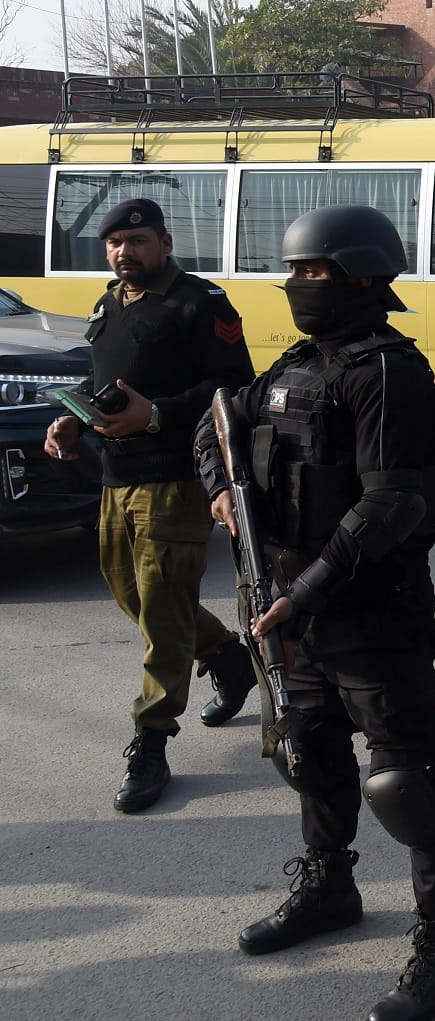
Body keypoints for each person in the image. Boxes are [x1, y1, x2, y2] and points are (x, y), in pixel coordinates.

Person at [193, 204, 435, 1021]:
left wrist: (308, 589)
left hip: (366, 613)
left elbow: (394, 503)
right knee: (305, 751)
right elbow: (217, 425)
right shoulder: (293, 367)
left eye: (311, 273)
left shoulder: (388, 373)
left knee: (406, 781)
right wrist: (218, 483)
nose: (294, 286)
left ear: (360, 275)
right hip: (286, 607)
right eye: (293, 272)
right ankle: (330, 885)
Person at [42, 197, 257, 815]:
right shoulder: (109, 302)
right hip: (116, 476)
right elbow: (104, 378)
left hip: (174, 477)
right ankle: (224, 655)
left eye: (136, 241)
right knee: (132, 595)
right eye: (114, 243)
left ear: (164, 243)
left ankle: (153, 736)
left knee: (161, 609)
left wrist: (157, 413)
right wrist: (73, 418)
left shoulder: (200, 304)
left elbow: (233, 387)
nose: (123, 252)